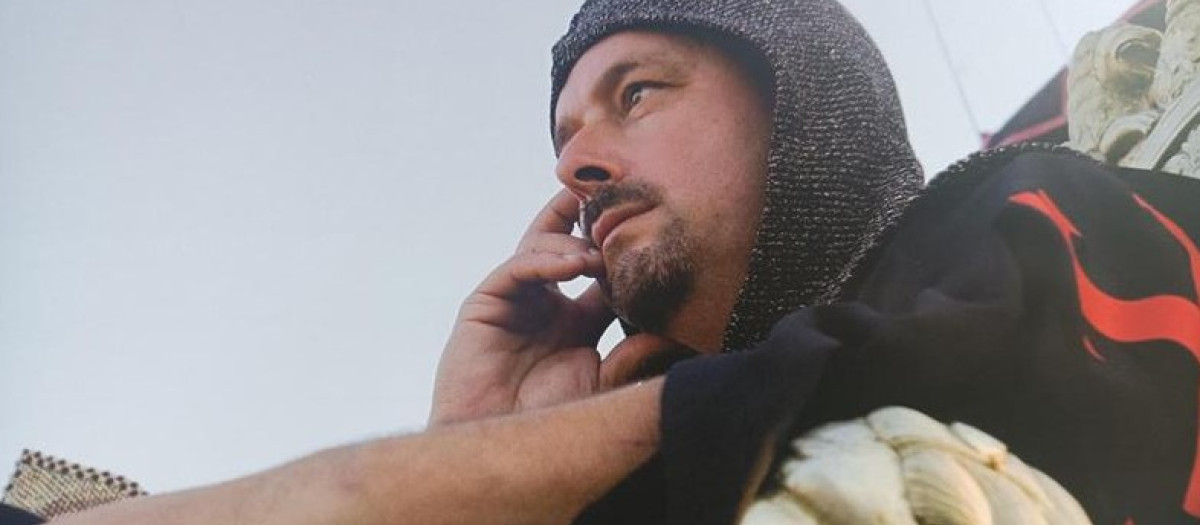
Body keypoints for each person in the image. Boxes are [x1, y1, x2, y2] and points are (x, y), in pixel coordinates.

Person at [8, 0, 1198, 524]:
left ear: (805, 100)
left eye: (637, 95)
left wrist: (442, 491)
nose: (584, 166)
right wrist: (476, 446)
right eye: (566, 140)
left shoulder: (1044, 213)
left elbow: (981, 387)